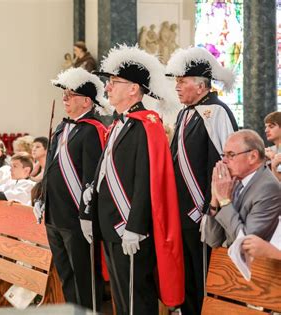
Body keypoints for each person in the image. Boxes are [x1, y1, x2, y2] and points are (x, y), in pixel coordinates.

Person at [88, 44, 184, 315]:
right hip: (111, 225)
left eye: (113, 82)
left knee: (136, 299)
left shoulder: (147, 123)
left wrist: (136, 226)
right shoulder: (119, 123)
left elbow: (148, 180)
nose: (107, 88)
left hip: (130, 228)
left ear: (133, 88)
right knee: (122, 297)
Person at [166, 46, 239, 315]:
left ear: (200, 85)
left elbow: (228, 162)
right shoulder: (185, 113)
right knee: (188, 278)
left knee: (205, 277)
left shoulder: (217, 112)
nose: (177, 87)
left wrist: (216, 205)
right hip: (182, 211)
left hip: (205, 213)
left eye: (182, 81)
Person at [34, 67, 109, 310]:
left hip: (76, 219)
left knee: (85, 278)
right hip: (54, 216)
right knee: (66, 275)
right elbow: (49, 170)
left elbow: (92, 178)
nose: (65, 99)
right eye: (64, 94)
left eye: (71, 94)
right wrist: (41, 199)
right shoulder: (61, 128)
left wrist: (87, 215)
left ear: (87, 100)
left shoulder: (92, 130)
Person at [204, 130, 281, 247]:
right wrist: (215, 199)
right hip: (227, 262)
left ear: (253, 157)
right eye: (223, 155)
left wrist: (224, 201)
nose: (224, 160)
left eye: (231, 155)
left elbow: (245, 243)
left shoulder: (268, 188)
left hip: (255, 264)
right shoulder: (234, 182)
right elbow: (212, 240)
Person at [264, 111, 281, 181]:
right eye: (266, 127)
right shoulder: (270, 150)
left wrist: (273, 160)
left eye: (271, 126)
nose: (266, 130)